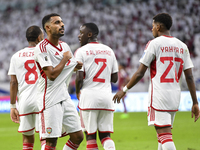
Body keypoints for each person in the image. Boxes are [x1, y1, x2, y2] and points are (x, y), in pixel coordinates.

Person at [113, 13, 200, 150]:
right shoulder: (182, 46)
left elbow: (140, 73)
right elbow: (189, 77)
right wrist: (195, 102)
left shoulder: (154, 44)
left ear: (158, 27)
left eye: (153, 26)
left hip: (159, 96)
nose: (151, 29)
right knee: (162, 138)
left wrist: (124, 90)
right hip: (175, 96)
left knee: (165, 135)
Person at [34, 13, 84, 150]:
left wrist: (75, 66)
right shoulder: (42, 48)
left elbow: (67, 67)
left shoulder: (65, 46)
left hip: (64, 96)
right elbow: (51, 75)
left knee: (78, 136)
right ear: (48, 28)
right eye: (57, 22)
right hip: (49, 99)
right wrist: (65, 60)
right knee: (51, 141)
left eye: (62, 22)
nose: (62, 24)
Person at [75, 23, 118, 150]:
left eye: (81, 33)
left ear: (89, 35)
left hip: (89, 97)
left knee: (90, 136)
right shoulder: (109, 50)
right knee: (105, 136)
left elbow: (79, 77)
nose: (79, 36)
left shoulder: (81, 51)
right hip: (106, 98)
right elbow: (115, 79)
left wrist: (77, 92)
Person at [8, 25, 44, 150]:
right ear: (39, 38)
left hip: (25, 102)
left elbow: (13, 82)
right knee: (46, 138)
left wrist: (13, 106)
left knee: (27, 138)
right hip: (42, 100)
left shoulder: (16, 56)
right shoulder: (44, 53)